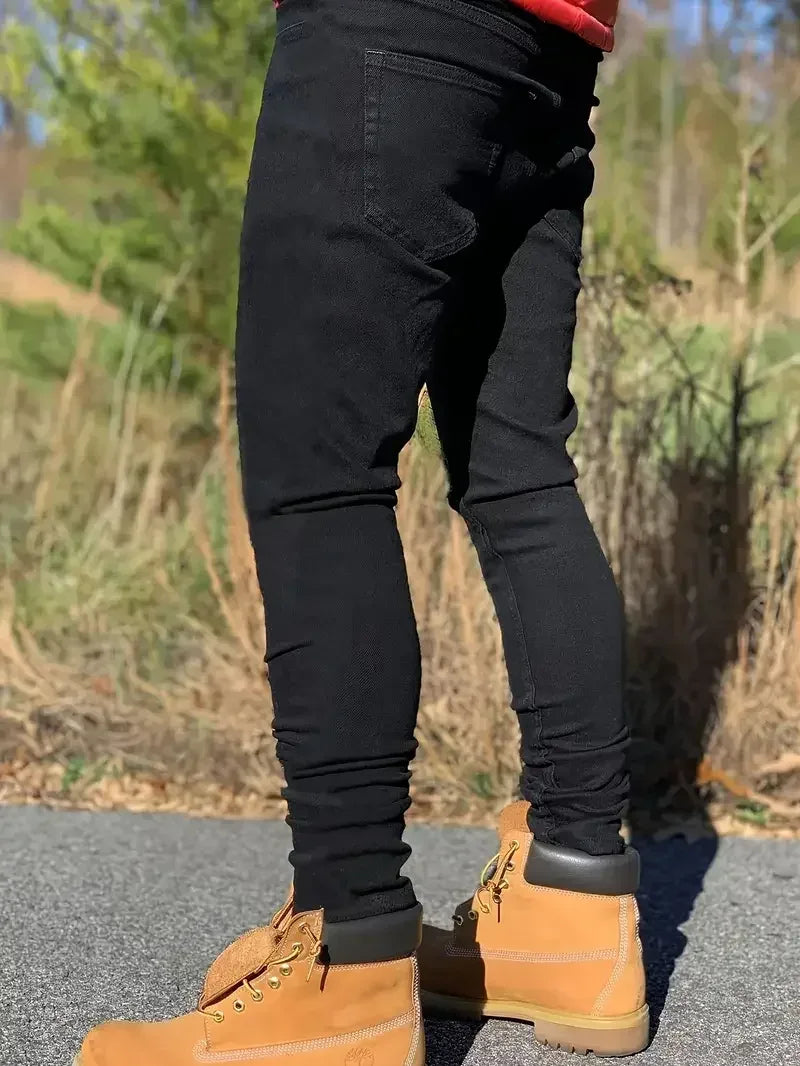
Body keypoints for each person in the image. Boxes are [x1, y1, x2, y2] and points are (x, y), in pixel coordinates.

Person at [75, 0, 649, 1063]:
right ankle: (574, 908)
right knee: (519, 471)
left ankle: (349, 957)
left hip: (390, 28)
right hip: (553, 48)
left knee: (320, 474)